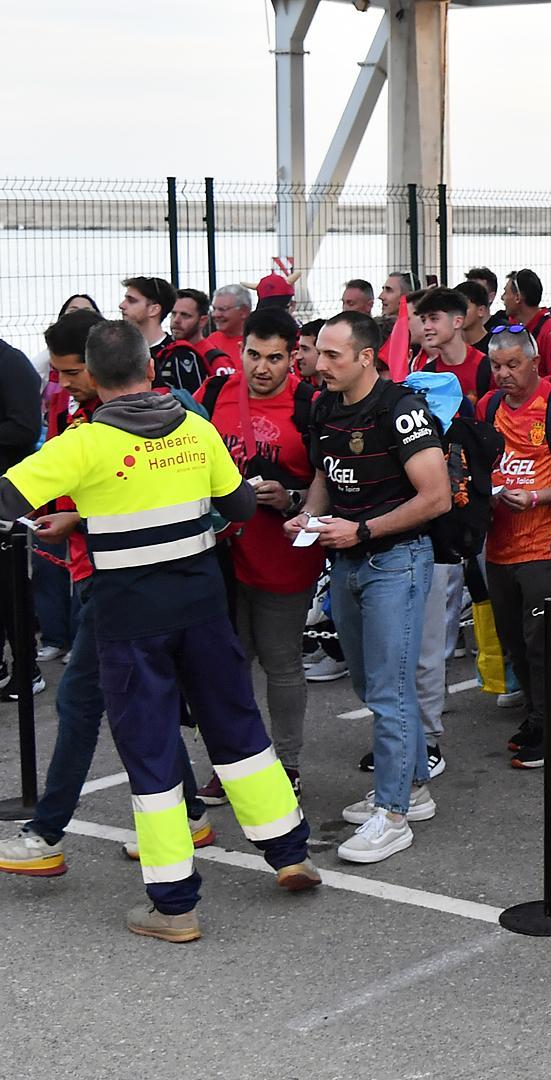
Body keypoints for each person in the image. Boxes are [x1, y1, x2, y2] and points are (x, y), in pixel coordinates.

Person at [0, 319, 317, 940]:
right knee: (239, 731)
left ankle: (174, 906)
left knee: (149, 753)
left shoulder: (83, 443)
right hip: (202, 607)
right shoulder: (195, 427)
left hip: (129, 619)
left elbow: (9, 498)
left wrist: (86, 512)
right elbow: (240, 507)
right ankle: (290, 854)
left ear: (93, 375)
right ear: (150, 367)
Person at [0, 310, 218, 882]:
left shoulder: (168, 416)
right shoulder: (89, 418)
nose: (64, 382)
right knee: (146, 705)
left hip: (132, 589)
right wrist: (77, 519)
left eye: (73, 372)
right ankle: (193, 817)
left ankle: (48, 833)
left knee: (84, 706)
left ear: (99, 368)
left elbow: (210, 498)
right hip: (105, 578)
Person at [289, 310, 451, 864]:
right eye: (319, 351)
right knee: (368, 683)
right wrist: (310, 519)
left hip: (395, 561)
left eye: (332, 354)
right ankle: (412, 789)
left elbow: (437, 497)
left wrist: (362, 530)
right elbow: (323, 475)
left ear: (365, 357)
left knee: (389, 691)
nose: (319, 362)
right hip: (348, 560)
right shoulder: (324, 406)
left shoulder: (401, 409)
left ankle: (393, 815)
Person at [193, 309, 325, 799]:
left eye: (274, 358)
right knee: (226, 667)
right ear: (240, 350)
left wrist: (289, 498)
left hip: (285, 557)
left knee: (281, 663)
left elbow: (328, 479)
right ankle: (233, 763)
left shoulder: (310, 404)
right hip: (221, 557)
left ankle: (286, 765)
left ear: (293, 357)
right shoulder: (213, 394)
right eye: (253, 355)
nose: (261, 368)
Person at [480, 327, 551, 769]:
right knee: (513, 642)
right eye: (496, 366)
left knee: (541, 643)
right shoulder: (488, 407)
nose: (504, 373)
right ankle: (537, 714)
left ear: (535, 363)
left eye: (513, 364)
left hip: (545, 546)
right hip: (498, 547)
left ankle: (549, 732)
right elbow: (481, 462)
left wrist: (536, 497)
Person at [118, 276, 205, 394]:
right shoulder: (122, 352)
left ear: (154, 310)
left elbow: (193, 402)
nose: (122, 305)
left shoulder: (179, 355)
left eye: (132, 301)